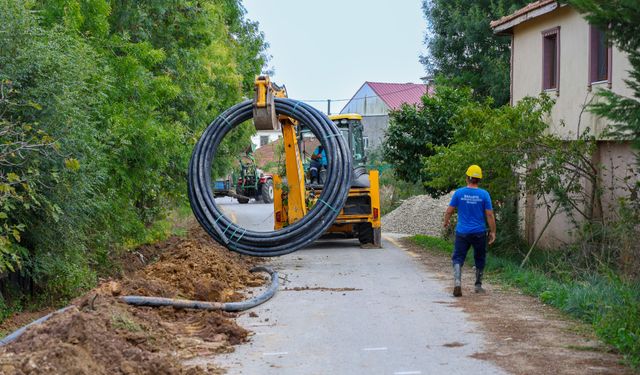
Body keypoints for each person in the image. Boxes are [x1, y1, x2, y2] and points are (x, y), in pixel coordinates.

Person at [443, 165, 496, 297]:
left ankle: (457, 283)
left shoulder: (459, 193)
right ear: (479, 180)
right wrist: (493, 232)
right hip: (479, 232)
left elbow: (449, 210)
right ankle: (478, 285)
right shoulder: (484, 194)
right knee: (480, 257)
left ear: (467, 178)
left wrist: (446, 221)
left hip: (462, 232)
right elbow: (489, 214)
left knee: (458, 257)